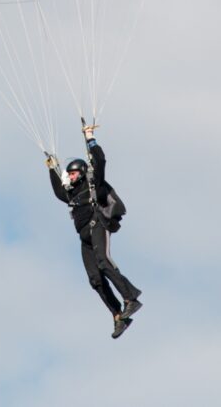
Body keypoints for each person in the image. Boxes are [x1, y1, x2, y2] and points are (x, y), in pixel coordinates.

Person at [47, 122, 143, 338]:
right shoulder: (72, 195)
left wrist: (90, 138)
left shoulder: (94, 185)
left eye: (72, 174)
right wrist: (51, 168)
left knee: (103, 262)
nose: (69, 177)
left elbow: (100, 160)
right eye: (68, 175)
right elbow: (59, 193)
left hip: (97, 225)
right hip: (84, 238)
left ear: (81, 173)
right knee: (95, 280)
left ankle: (131, 298)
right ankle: (119, 316)